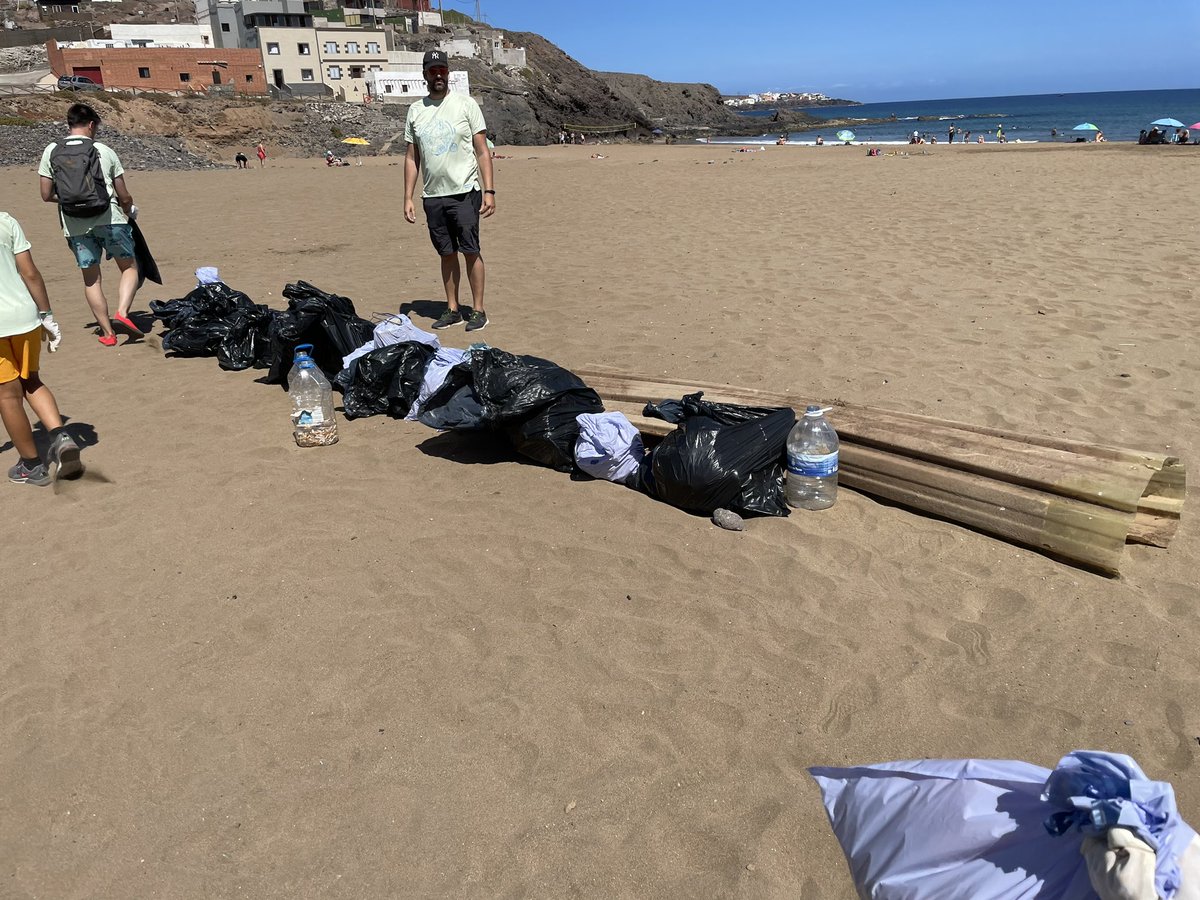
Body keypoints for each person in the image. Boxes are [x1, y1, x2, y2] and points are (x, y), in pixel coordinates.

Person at [403, 49, 495, 333]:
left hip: (465, 191)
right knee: (446, 253)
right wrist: (407, 196)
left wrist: (489, 190)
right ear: (425, 75)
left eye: (442, 70)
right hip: (433, 196)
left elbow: (482, 151)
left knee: (470, 250)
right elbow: (411, 157)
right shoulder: (416, 111)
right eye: (433, 71)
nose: (438, 75)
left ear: (448, 73)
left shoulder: (466, 105)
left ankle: (478, 310)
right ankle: (452, 308)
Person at [38, 102, 139, 347]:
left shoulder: (51, 150)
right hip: (110, 219)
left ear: (69, 124)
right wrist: (129, 208)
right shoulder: (103, 150)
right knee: (129, 267)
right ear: (92, 125)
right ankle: (122, 312)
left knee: (91, 279)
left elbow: (45, 194)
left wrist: (72, 201)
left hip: (75, 225)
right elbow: (122, 193)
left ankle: (107, 333)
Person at [0, 211, 83, 486]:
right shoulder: (6, 221)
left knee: (8, 396)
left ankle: (31, 465)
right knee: (31, 380)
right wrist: (47, 314)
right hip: (24, 317)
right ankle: (61, 436)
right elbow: (30, 273)